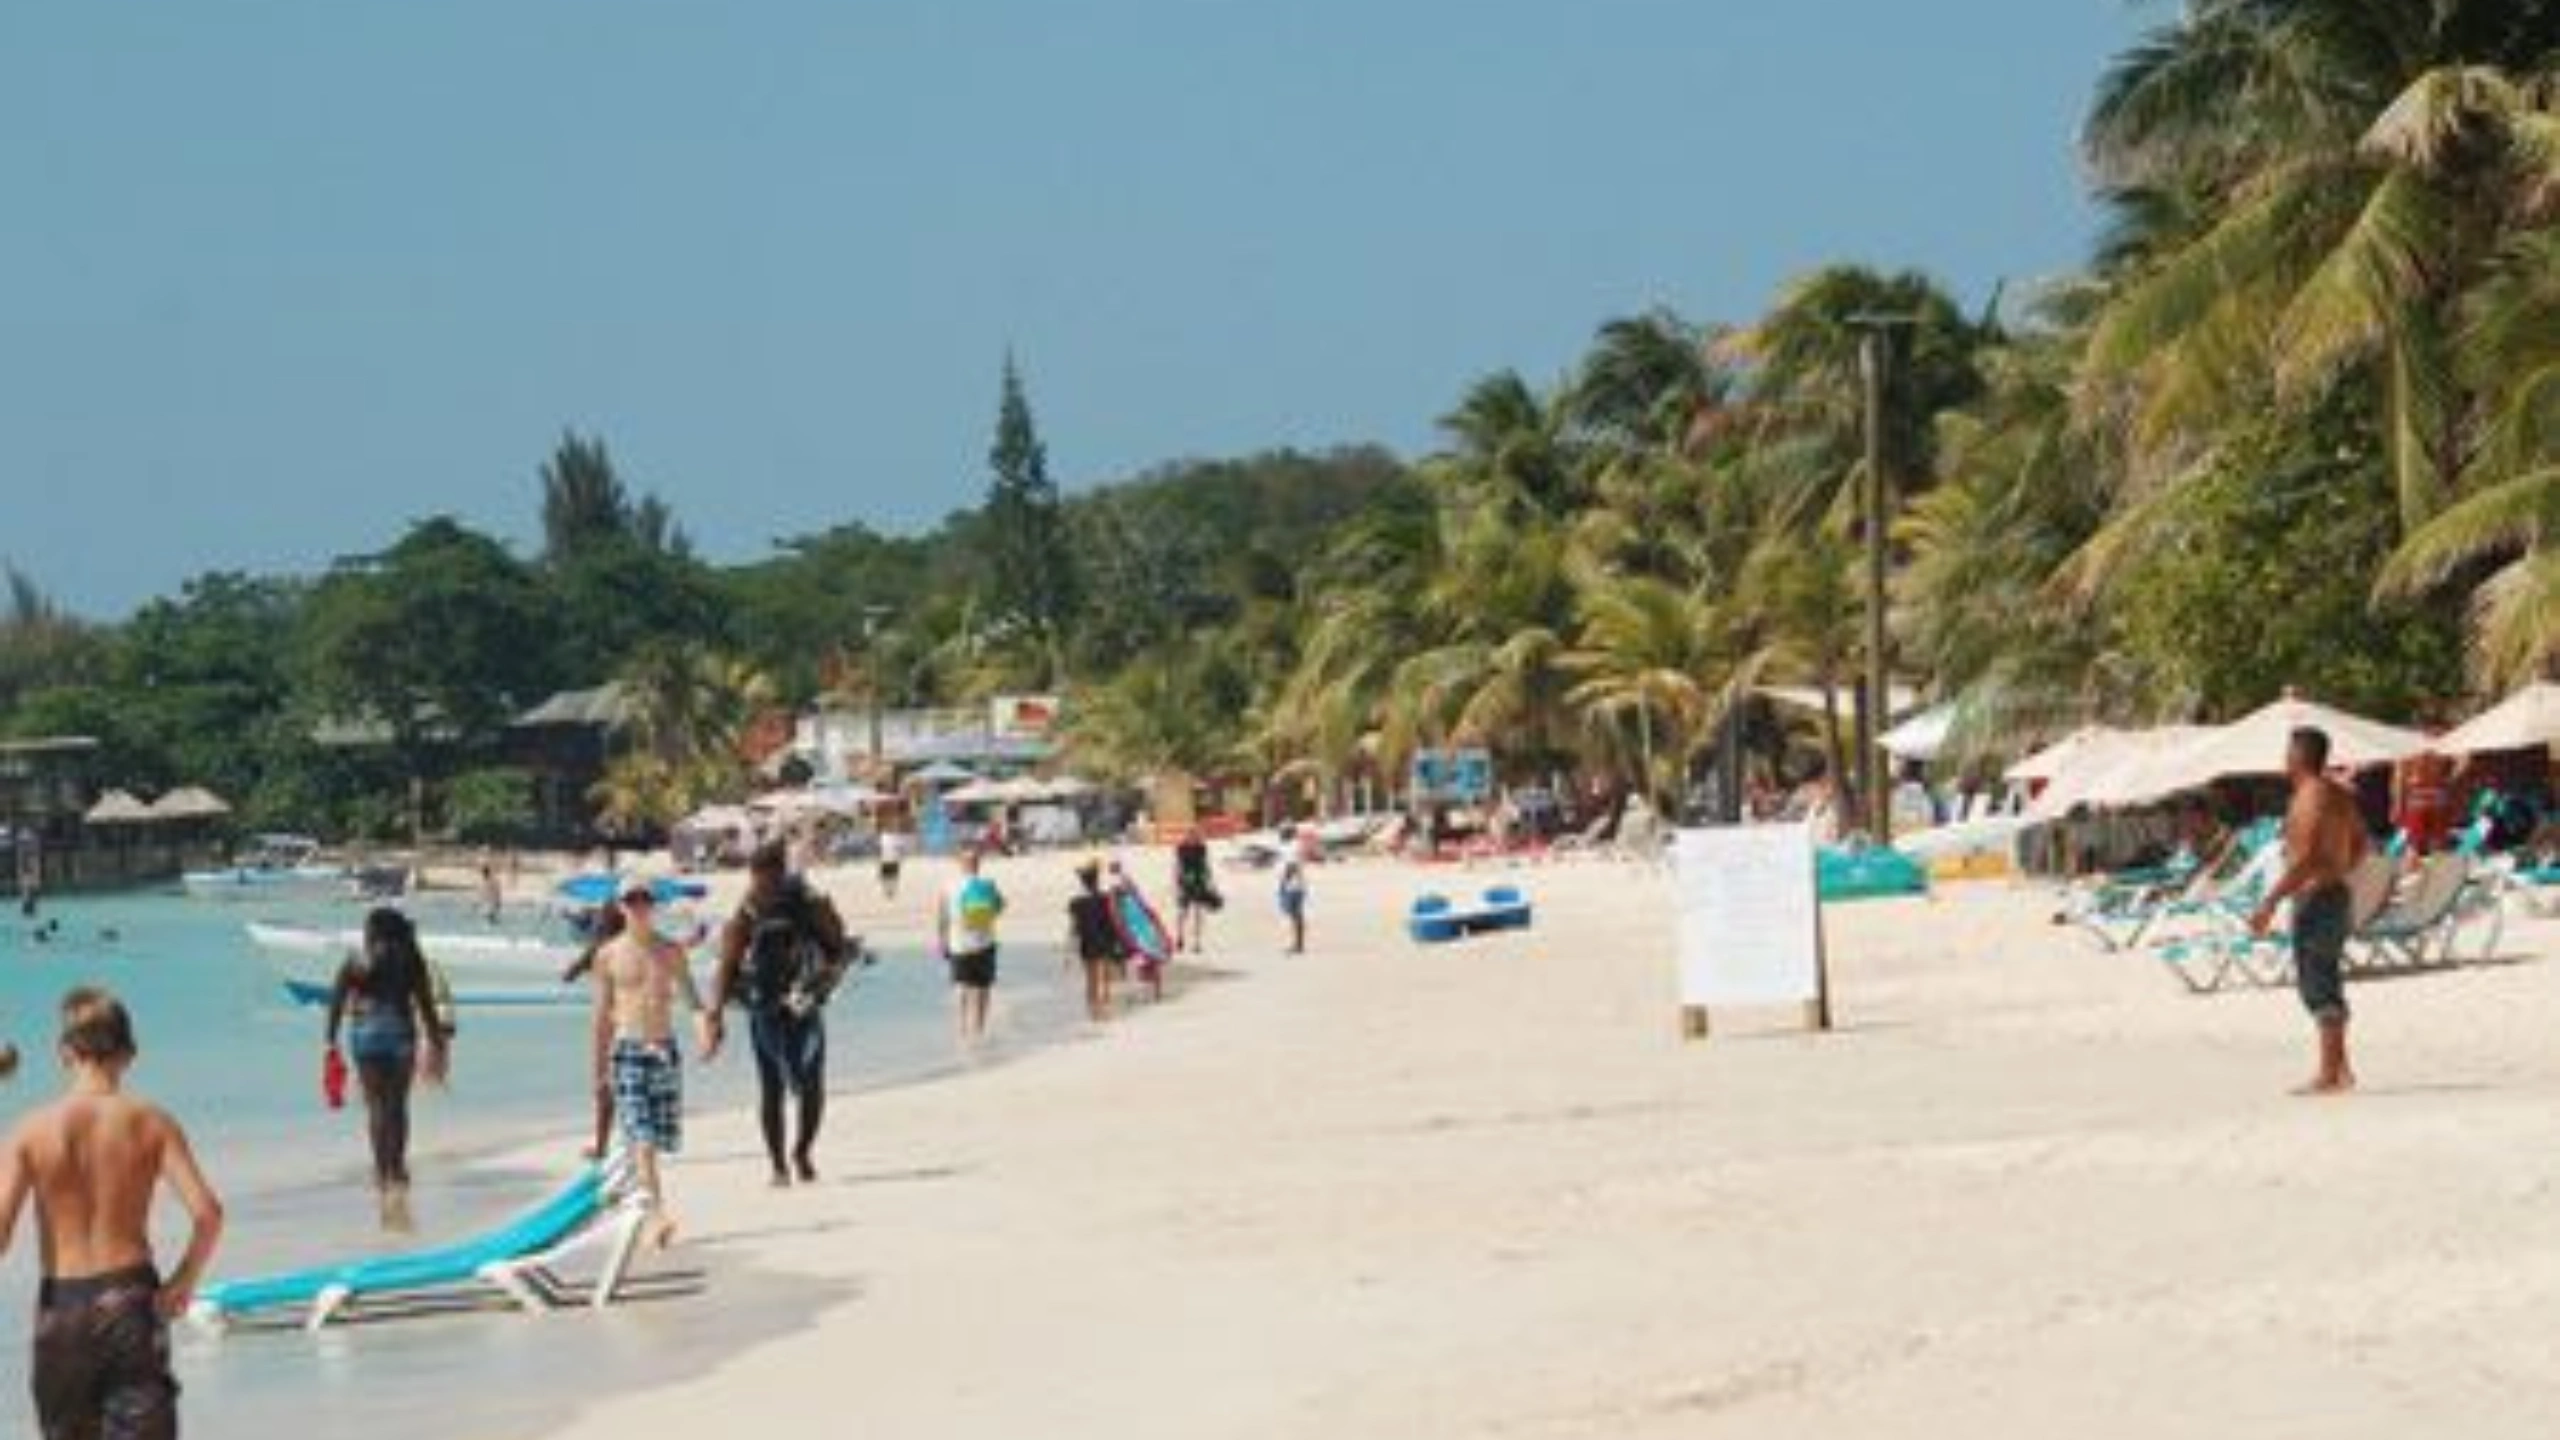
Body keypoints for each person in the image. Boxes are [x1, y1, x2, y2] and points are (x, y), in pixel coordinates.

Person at [0, 987, 223, 1440]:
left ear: (65, 1053)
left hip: (62, 1311)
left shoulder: (30, 1130)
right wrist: (184, 1281)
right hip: (131, 1303)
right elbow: (208, 1214)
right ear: (130, 1053)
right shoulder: (150, 1121)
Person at [708, 842, 853, 1187]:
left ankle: (783, 1165)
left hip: (769, 1007)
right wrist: (714, 1016)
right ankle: (796, 1157)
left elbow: (726, 967)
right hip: (798, 1004)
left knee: (774, 1088)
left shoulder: (752, 907)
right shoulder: (792, 901)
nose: (762, 883)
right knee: (807, 1085)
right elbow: (838, 943)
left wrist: (716, 1014)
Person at [2250, 726, 2372, 1096]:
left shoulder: (2309, 796)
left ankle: (2328, 1075)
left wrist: (2269, 902)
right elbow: (2362, 845)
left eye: (2287, 754)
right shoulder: (2338, 794)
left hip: (2317, 899)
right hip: (2336, 894)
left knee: (2318, 987)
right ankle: (2342, 1070)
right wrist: (2338, 870)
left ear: (2298, 758)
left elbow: (2303, 859)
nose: (2283, 761)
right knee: (2327, 979)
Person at [590, 884, 712, 1247]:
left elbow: (692, 999)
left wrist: (704, 1031)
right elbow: (601, 1017)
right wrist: (597, 1069)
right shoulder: (608, 955)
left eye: (645, 900)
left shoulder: (670, 951)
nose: (639, 907)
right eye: (631, 901)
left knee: (655, 1139)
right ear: (620, 906)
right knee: (642, 1137)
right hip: (628, 1049)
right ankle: (656, 1214)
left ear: (653, 905)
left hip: (664, 1051)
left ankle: (626, 1198)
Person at [324, 908, 451, 1230]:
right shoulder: (411, 960)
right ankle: (397, 1168)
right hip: (400, 1033)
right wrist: (436, 1042)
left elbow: (336, 1002)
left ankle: (382, 1173)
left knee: (376, 1108)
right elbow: (424, 1003)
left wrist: (329, 1042)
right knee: (398, 1106)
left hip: (365, 1034)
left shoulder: (356, 960)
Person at [935, 847, 1005, 1044]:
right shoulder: (988, 885)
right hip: (985, 942)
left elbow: (942, 918)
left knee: (961, 987)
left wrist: (942, 943)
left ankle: (961, 1030)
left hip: (959, 944)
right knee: (983, 988)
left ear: (960, 864)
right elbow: (999, 907)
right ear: (978, 864)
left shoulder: (948, 887)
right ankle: (979, 1029)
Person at [1066, 860, 1124, 1022]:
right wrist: (1120, 940)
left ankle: (1093, 1011)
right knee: (1105, 975)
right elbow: (1115, 920)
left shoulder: (1075, 903)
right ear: (1097, 880)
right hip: (1105, 939)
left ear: (1082, 883)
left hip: (1088, 942)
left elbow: (1073, 929)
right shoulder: (1106, 898)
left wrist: (1069, 952)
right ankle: (1104, 1005)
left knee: (1091, 979)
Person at [1173, 826, 1219, 953]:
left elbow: (1205, 865)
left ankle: (1197, 942)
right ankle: (1179, 937)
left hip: (1199, 882)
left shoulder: (1201, 848)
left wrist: (1210, 881)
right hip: (1186, 882)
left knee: (1198, 912)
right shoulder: (1181, 848)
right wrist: (1178, 883)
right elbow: (1178, 866)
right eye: (1191, 835)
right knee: (1183, 912)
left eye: (1195, 835)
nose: (1193, 837)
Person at [1277, 828, 1311, 955]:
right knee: (1296, 915)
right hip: (1297, 884)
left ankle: (1297, 944)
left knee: (1294, 915)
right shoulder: (1294, 846)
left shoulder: (1291, 848)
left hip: (1292, 886)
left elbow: (1291, 866)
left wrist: (1283, 881)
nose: (1279, 834)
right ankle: (1298, 943)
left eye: (1281, 832)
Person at [877, 825, 906, 900]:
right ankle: (889, 891)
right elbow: (901, 849)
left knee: (890, 878)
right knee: (889, 878)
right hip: (888, 860)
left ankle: (889, 891)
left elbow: (900, 849)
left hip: (890, 860)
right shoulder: (885, 837)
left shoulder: (892, 837)